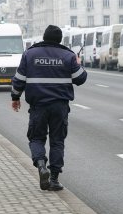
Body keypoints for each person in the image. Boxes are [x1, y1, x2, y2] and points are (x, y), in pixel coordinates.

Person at [11, 25, 87, 191]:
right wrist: (79, 63)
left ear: (44, 37)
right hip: (60, 107)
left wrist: (15, 98)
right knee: (57, 141)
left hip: (38, 106)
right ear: (60, 39)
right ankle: (53, 179)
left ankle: (40, 165)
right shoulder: (68, 56)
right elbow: (80, 79)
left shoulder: (30, 54)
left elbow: (18, 80)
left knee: (36, 138)